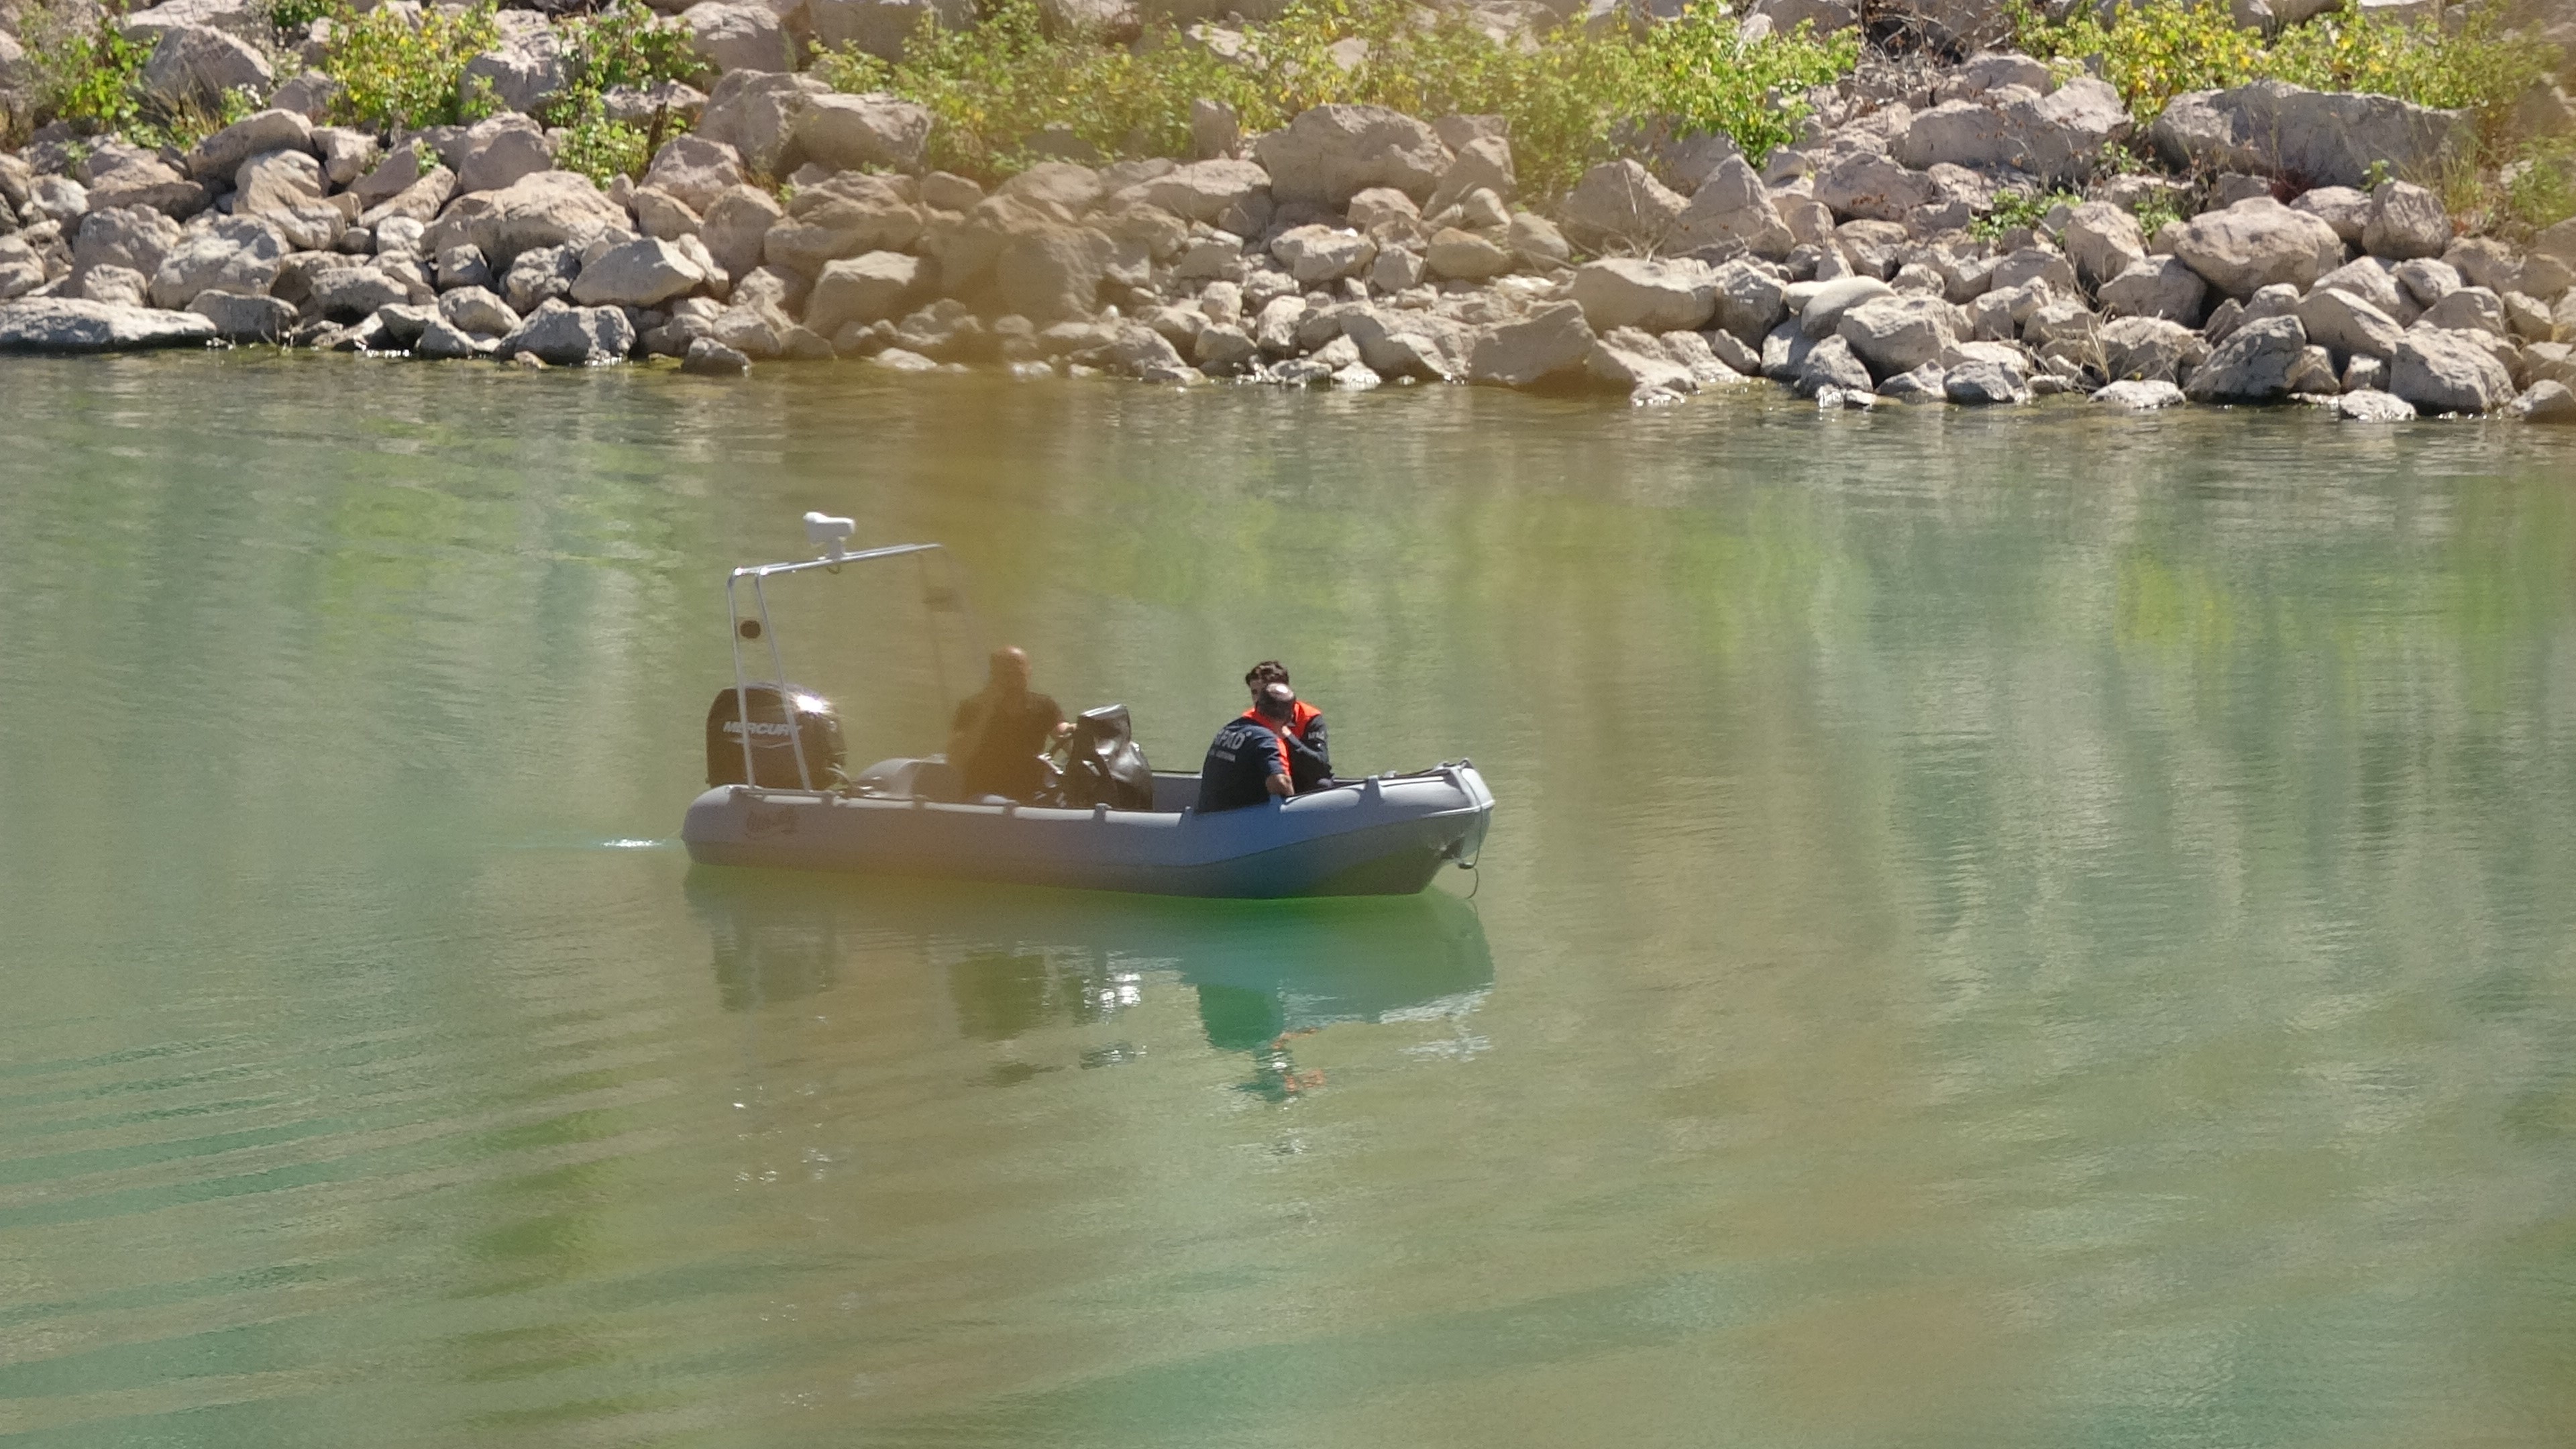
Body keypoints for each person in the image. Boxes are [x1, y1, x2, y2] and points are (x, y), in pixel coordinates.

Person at [948, 646, 1071, 801]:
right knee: (1003, 806)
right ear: (993, 677)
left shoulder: (1044, 706)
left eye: (1018, 675)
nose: (1013, 682)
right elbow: (955, 758)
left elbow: (1063, 733)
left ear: (1028, 673)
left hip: (1033, 791)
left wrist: (1077, 730)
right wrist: (986, 712)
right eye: (1006, 676)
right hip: (986, 792)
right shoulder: (972, 707)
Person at [1198, 682, 1299, 813]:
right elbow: (1280, 783)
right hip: (1240, 823)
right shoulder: (1268, 740)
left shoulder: (1230, 728)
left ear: (1257, 706)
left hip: (1208, 816)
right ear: (1290, 717)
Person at [1244, 660, 1332, 793]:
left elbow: (1320, 764)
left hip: (1301, 777)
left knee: (1323, 784)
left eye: (1264, 692)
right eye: (1254, 692)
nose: (1258, 700)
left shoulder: (1309, 717)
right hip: (1269, 778)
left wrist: (1287, 736)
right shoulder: (1249, 720)